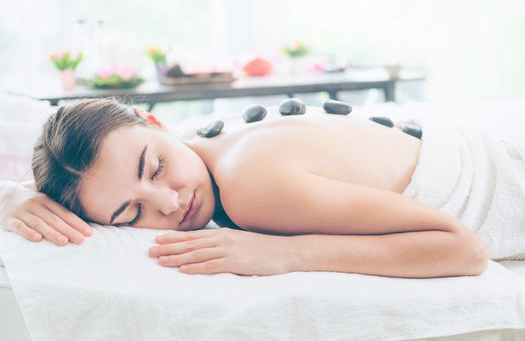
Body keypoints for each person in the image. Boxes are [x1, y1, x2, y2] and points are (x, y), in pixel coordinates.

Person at [1, 98, 489, 278]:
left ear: (155, 122)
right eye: (131, 215)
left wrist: (288, 254)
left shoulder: (253, 189)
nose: (171, 203)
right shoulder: (199, 144)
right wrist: (16, 194)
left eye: (155, 168)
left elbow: (463, 250)